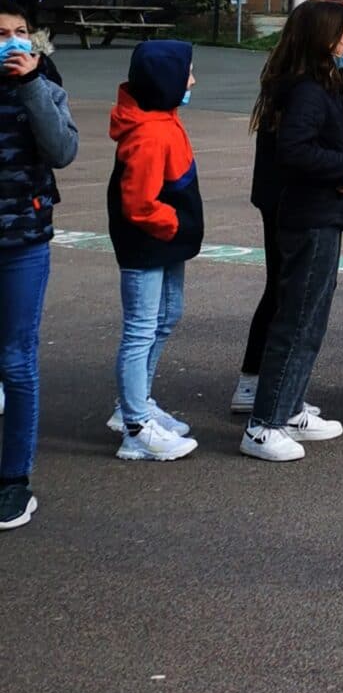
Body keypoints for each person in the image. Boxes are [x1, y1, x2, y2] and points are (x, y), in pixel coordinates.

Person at [241, 0, 343, 463]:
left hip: (313, 212)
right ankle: (264, 423)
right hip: (311, 214)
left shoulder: (305, 82)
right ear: (326, 38)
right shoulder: (308, 89)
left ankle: (288, 407)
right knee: (299, 318)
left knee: (308, 314)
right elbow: (295, 149)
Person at [0, 0, 78, 528]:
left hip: (23, 241)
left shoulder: (44, 84)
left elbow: (62, 151)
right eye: (1, 33)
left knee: (16, 360)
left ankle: (13, 481)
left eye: (20, 31)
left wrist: (30, 85)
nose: (13, 41)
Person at [106, 39, 204, 462]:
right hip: (148, 245)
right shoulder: (148, 133)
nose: (192, 81)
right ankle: (134, 426)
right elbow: (139, 204)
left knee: (166, 316)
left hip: (164, 244)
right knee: (141, 329)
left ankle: (138, 404)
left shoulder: (163, 119)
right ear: (166, 80)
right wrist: (177, 226)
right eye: (187, 73)